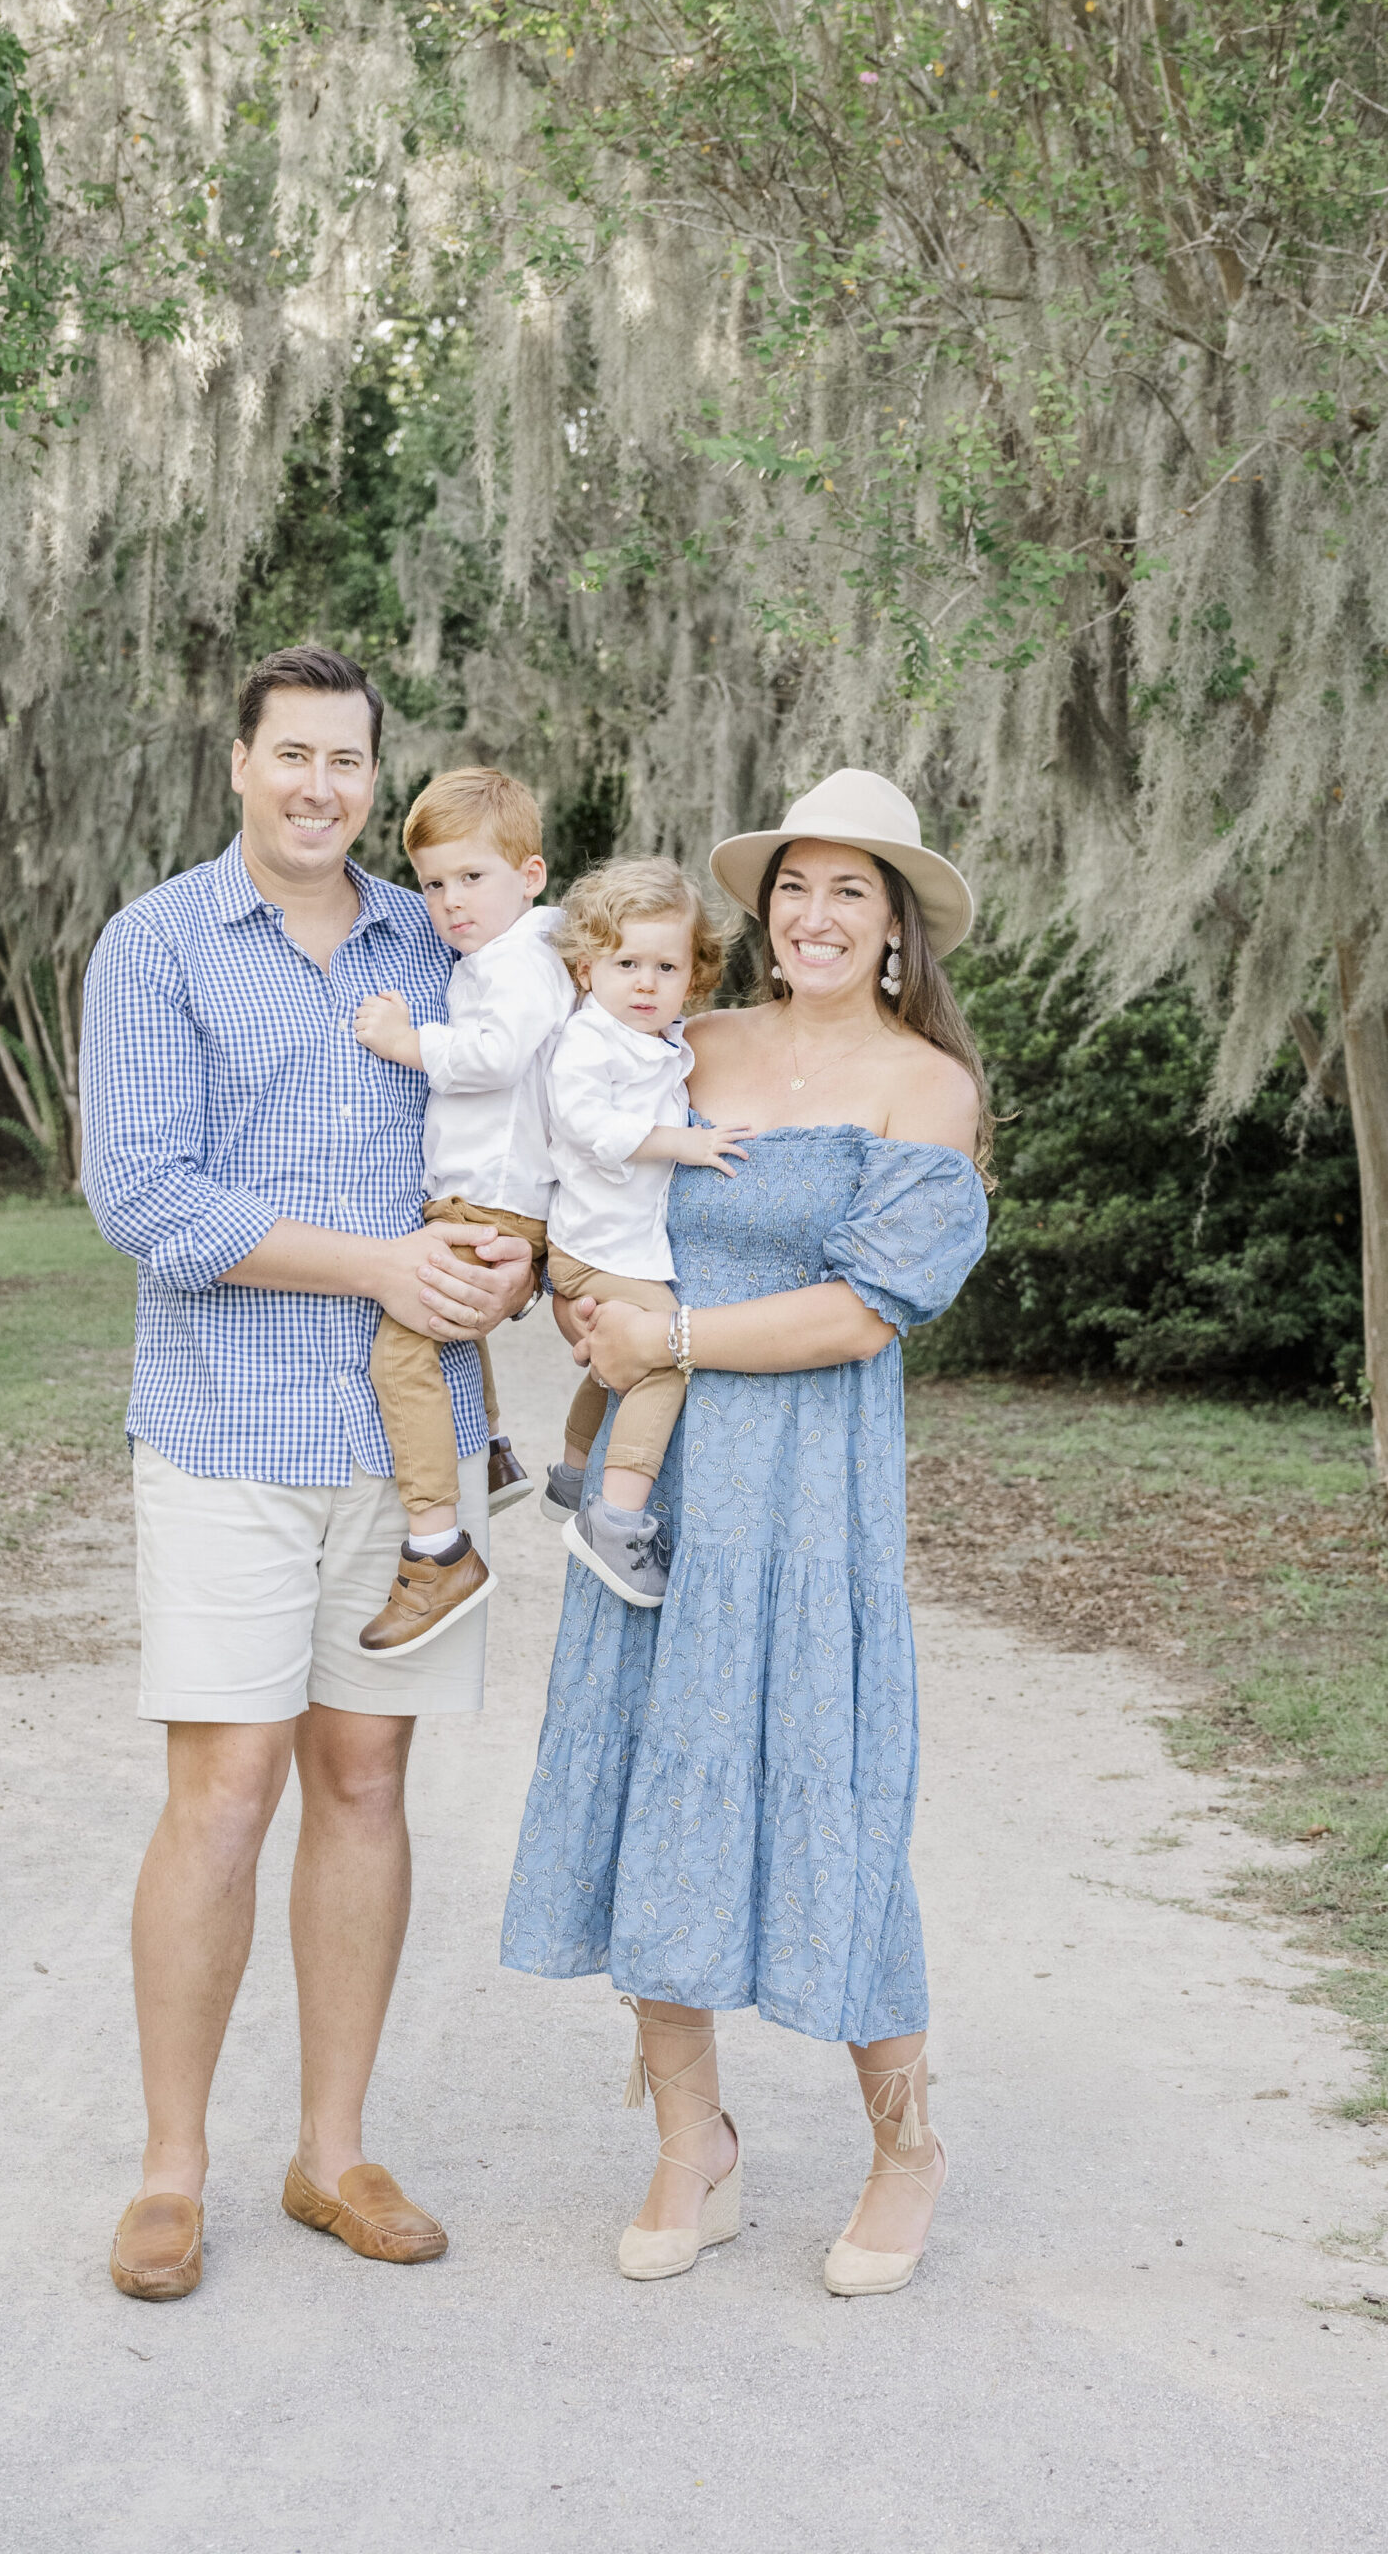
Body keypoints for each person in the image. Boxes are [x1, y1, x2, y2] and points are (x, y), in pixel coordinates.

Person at [81, 645, 535, 2303]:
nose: (321, 789)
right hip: (230, 1437)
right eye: (293, 757)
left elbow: (528, 1132)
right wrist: (376, 1270)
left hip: (412, 1459)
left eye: (347, 762)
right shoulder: (160, 946)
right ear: (239, 763)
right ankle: (171, 2173)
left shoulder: (446, 937)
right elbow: (141, 1197)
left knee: (364, 1784)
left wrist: (511, 1269)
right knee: (224, 1793)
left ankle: (332, 2153)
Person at [500, 767, 990, 2296]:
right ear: (759, 909)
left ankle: (902, 2147)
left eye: (851, 889)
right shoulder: (683, 1046)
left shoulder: (925, 1089)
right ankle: (687, 2148)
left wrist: (673, 1336)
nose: (815, 912)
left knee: (832, 1807)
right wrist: (585, 1304)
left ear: (896, 924)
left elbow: (862, 1311)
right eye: (794, 884)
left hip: (808, 1498)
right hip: (667, 1495)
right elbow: (583, 1187)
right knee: (658, 1787)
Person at [350, 767, 574, 1657]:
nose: (448, 902)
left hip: (492, 1203)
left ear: (531, 875)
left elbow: (496, 1054)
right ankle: (486, 1453)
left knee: (400, 1354)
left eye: (471, 879)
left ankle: (438, 1549)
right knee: (450, 1332)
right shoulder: (499, 955)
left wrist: (406, 1043)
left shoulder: (520, 963)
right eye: (432, 883)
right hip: (477, 1196)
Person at [537, 860, 749, 1608]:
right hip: (597, 1247)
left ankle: (572, 1470)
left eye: (666, 966)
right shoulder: (589, 1042)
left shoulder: (656, 1038)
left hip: (618, 1244)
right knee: (663, 1359)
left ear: (693, 975)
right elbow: (584, 1125)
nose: (645, 983)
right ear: (587, 966)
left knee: (614, 1360)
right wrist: (680, 1142)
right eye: (626, 963)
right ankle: (616, 1518)